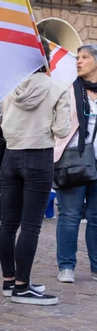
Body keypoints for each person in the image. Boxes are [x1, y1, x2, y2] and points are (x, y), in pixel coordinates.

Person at [0, 39, 70, 305]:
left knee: (8, 223)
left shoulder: (9, 86)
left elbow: (4, 124)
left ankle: (9, 281)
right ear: (46, 59)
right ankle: (22, 287)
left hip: (11, 155)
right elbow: (62, 130)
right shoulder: (58, 87)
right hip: (39, 156)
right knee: (30, 225)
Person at [53, 44, 97, 284]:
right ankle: (67, 266)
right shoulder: (68, 90)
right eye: (77, 57)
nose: (79, 61)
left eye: (85, 57)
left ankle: (96, 267)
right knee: (69, 215)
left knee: (96, 217)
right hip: (73, 160)